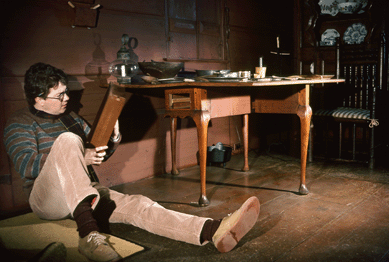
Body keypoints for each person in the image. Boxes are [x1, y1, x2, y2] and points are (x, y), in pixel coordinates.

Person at [3, 62, 260, 262]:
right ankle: (88, 234)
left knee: (140, 205)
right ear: (38, 99)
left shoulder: (70, 117)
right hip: (46, 199)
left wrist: (112, 138)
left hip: (84, 192)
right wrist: (79, 154)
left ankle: (210, 230)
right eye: (59, 96)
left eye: (65, 93)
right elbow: (27, 165)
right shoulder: (19, 123)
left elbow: (96, 154)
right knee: (68, 141)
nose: (66, 99)